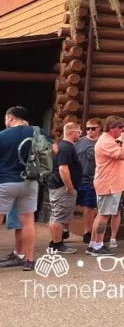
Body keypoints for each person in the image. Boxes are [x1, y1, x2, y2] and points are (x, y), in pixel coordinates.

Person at [0, 106, 41, 271]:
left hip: (5, 181)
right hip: (30, 182)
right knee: (28, 221)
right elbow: (53, 151)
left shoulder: (2, 135)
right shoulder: (38, 132)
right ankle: (29, 260)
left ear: (10, 118)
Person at [87, 116, 124, 257]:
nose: (122, 130)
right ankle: (98, 246)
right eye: (120, 127)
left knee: (100, 214)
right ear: (112, 128)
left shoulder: (108, 141)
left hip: (108, 183)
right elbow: (123, 155)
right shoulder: (106, 142)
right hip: (109, 184)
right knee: (104, 216)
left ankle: (93, 244)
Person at [47, 121, 82, 254]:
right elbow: (63, 168)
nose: (80, 134)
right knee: (59, 216)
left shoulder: (62, 146)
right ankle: (57, 245)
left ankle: (54, 243)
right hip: (62, 187)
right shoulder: (67, 148)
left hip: (57, 186)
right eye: (79, 131)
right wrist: (69, 186)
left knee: (55, 215)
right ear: (71, 132)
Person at [75, 117, 102, 247]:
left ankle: (92, 232)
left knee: (94, 207)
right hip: (80, 177)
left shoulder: (103, 142)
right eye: (87, 128)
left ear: (99, 129)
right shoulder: (79, 142)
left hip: (96, 178)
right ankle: (68, 229)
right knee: (81, 206)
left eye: (93, 128)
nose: (90, 131)